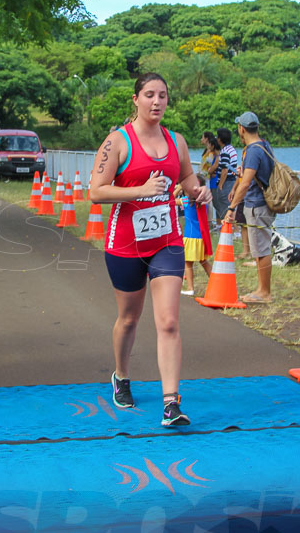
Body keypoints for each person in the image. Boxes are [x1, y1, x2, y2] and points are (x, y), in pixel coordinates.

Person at [89, 73, 212, 428]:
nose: (156, 102)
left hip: (166, 242)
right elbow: (96, 192)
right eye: (149, 95)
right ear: (136, 99)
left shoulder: (177, 141)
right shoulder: (117, 142)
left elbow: (187, 178)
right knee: (129, 319)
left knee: (169, 322)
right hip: (126, 243)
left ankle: (171, 403)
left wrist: (197, 191)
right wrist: (139, 190)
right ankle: (121, 376)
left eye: (162, 96)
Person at [223, 112, 276, 304]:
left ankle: (264, 292)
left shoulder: (253, 150)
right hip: (262, 203)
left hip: (257, 205)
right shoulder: (264, 145)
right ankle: (262, 289)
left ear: (241, 129)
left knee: (261, 250)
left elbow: (245, 183)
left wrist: (231, 207)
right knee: (260, 249)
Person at [177, 179, 213, 296]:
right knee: (203, 261)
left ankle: (191, 288)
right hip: (201, 237)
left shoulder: (186, 201)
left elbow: (170, 200)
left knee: (188, 263)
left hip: (190, 237)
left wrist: (178, 188)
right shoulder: (204, 203)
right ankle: (215, 283)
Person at [214, 127, 240, 233]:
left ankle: (232, 230)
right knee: (230, 205)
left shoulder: (224, 151)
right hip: (232, 181)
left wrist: (220, 185)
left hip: (227, 182)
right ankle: (233, 229)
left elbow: (224, 169)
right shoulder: (231, 149)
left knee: (226, 206)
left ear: (220, 139)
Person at [199, 132, 220, 224]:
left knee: (208, 200)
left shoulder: (212, 152)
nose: (201, 139)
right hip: (202, 176)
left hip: (207, 178)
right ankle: (206, 220)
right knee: (205, 199)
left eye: (202, 137)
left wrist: (210, 172)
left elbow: (211, 164)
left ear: (207, 139)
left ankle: (210, 221)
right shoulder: (206, 151)